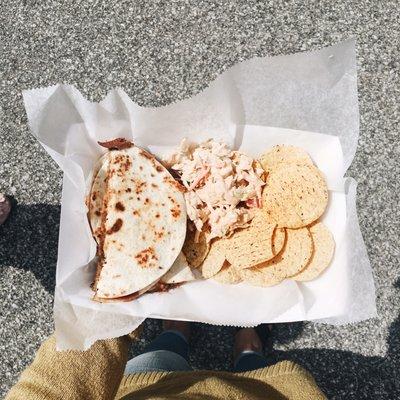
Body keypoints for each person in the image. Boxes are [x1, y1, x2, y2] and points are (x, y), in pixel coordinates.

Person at [6, 320, 326, 399]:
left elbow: (49, 392)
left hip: (150, 386)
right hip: (269, 394)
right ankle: (248, 347)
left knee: (165, 351)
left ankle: (176, 330)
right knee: (254, 369)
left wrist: (106, 321)